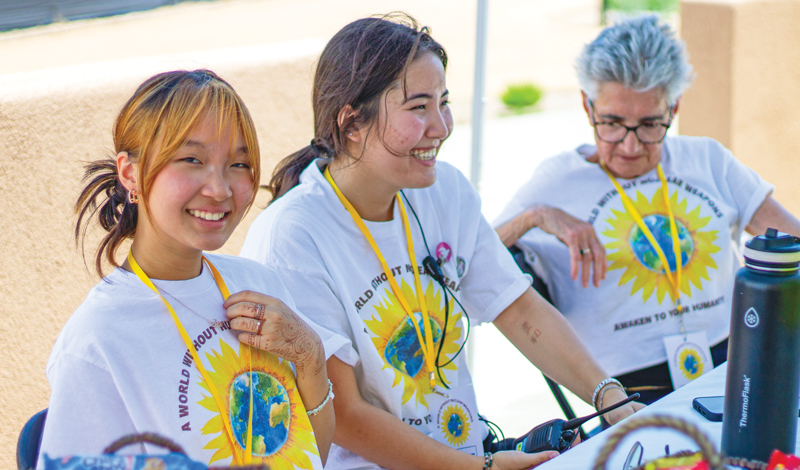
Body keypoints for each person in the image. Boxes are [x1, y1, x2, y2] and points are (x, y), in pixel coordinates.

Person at [240, 14, 641, 470]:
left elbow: (518, 309)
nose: (442, 126)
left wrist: (611, 398)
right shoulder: (293, 234)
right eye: (418, 108)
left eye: (444, 102)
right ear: (351, 124)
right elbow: (345, 414)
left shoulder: (445, 190)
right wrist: (481, 468)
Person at [494, 15, 800, 404]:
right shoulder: (557, 180)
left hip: (735, 371)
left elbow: (792, 238)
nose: (630, 145)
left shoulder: (707, 160)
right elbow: (469, 262)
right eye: (612, 123)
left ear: (674, 108)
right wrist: (535, 217)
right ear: (587, 106)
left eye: (650, 125)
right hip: (627, 394)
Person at [38, 70, 335, 469]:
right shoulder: (97, 342)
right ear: (130, 173)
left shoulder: (259, 282)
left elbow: (311, 455)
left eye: (238, 163)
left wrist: (310, 357)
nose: (220, 189)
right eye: (192, 160)